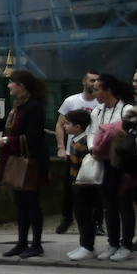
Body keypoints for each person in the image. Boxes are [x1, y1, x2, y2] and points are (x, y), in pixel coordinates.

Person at [0, 70, 49, 258]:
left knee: (32, 203)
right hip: (16, 160)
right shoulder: (16, 106)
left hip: (31, 162)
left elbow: (33, 137)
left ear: (21, 85)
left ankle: (37, 244)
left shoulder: (34, 107)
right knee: (20, 203)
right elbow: (3, 126)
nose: (9, 86)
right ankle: (22, 242)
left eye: (11, 82)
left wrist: (9, 140)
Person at [87, 74, 133, 261]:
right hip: (104, 161)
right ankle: (113, 243)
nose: (94, 92)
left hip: (123, 163)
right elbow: (92, 132)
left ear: (108, 90)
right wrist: (92, 147)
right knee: (109, 205)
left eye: (98, 89)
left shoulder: (127, 109)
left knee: (124, 203)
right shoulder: (97, 111)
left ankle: (126, 245)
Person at [54, 70, 100, 235]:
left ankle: (97, 222)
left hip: (92, 151)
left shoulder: (100, 102)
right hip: (72, 151)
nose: (93, 83)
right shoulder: (71, 101)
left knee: (95, 187)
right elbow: (60, 124)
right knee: (69, 187)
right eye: (91, 80)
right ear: (84, 81)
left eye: (96, 81)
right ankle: (67, 218)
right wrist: (60, 147)